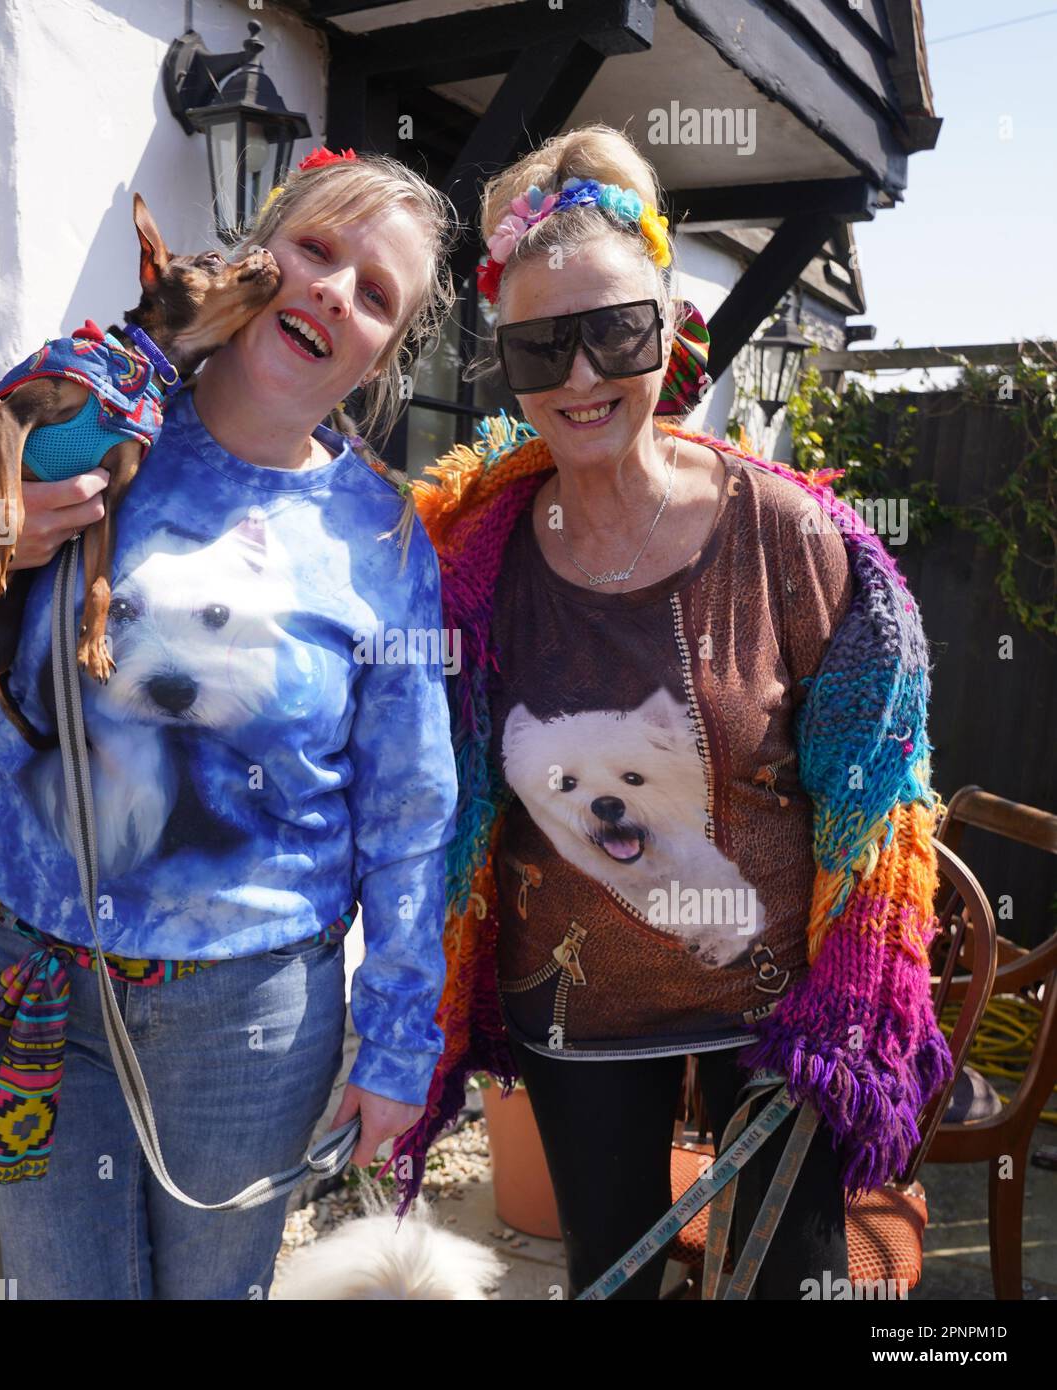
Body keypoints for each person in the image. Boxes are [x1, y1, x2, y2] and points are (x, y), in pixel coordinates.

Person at [0, 148, 462, 1299]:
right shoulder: (86, 411)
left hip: (246, 1025)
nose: (332, 291)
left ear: (382, 356)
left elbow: (409, 813)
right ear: (259, 252)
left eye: (375, 293)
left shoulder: (384, 538)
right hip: (27, 980)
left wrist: (400, 1046)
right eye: (314, 249)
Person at [390, 124, 952, 1300]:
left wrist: (843, 1005)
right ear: (504, 359)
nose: (582, 377)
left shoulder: (787, 535)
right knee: (611, 1277)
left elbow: (878, 790)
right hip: (574, 1004)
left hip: (776, 1015)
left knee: (783, 1281)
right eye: (541, 348)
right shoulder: (465, 557)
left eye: (614, 331)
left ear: (668, 329)